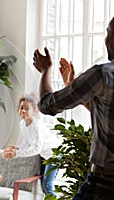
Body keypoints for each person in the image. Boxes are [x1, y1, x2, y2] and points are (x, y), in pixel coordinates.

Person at [32, 17, 114, 200]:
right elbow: (103, 113)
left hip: (104, 184)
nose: (106, 39)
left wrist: (45, 71)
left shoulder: (103, 74)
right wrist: (70, 83)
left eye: (108, 33)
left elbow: (48, 105)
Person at [2, 94, 61, 197]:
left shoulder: (36, 125)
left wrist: (16, 153)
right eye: (21, 108)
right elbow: (27, 143)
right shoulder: (22, 124)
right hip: (45, 155)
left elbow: (36, 149)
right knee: (43, 186)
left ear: (34, 110)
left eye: (27, 108)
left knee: (47, 185)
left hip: (54, 154)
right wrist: (17, 148)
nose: (23, 111)